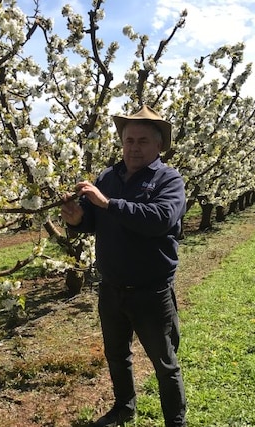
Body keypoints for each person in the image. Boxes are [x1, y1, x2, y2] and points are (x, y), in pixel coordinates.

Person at [61, 105, 187, 427]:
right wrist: (78, 219)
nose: (134, 147)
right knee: (117, 355)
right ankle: (124, 408)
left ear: (159, 145)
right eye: (129, 140)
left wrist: (107, 203)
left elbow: (159, 220)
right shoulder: (108, 177)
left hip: (151, 292)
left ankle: (176, 421)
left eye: (143, 141)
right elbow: (94, 220)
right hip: (111, 289)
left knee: (165, 364)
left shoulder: (169, 180)